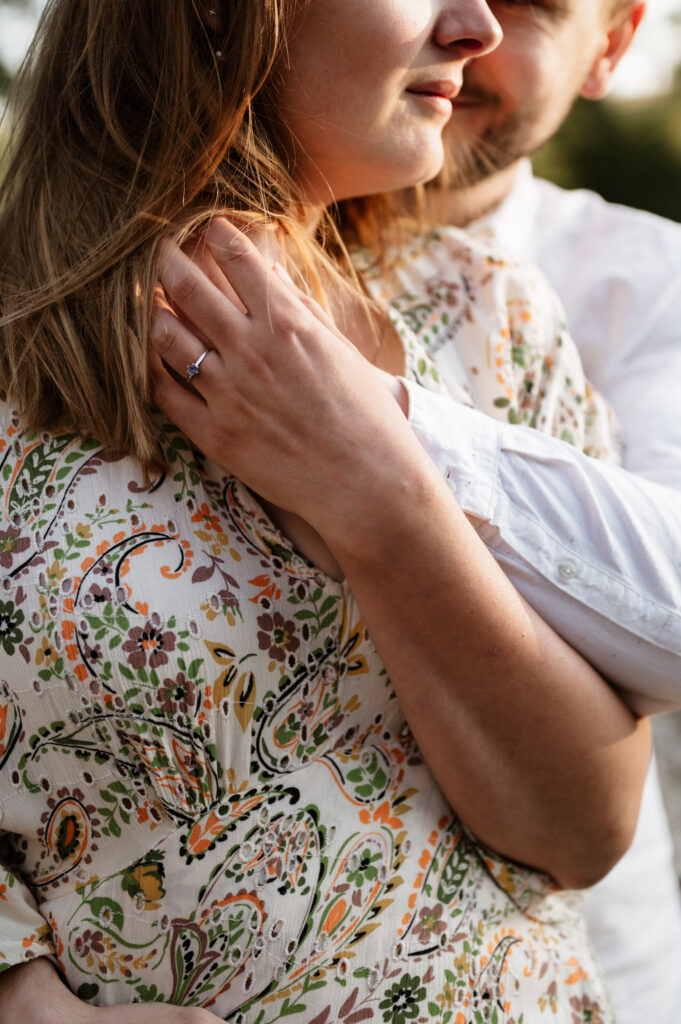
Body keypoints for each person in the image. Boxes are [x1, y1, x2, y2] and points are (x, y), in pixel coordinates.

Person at [0, 1, 651, 1022]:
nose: (476, 22)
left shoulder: (493, 321)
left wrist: (381, 493)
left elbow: (587, 830)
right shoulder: (13, 357)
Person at [375, 1, 681, 1021]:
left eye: (530, 1)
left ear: (614, 43)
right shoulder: (138, 278)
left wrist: (369, 431)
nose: (464, 26)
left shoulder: (648, 286)